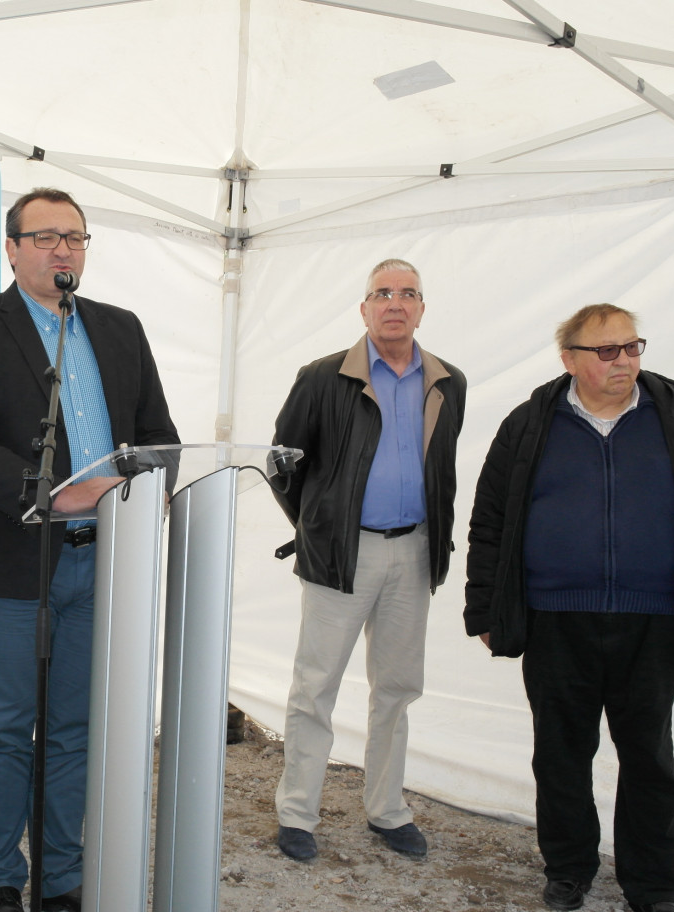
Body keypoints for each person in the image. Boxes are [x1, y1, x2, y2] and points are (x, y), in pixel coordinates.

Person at [0, 188, 179, 912]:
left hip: (106, 562)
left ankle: (63, 878)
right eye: (44, 237)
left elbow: (159, 433)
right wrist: (58, 493)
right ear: (11, 248)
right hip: (12, 565)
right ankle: (0, 879)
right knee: (5, 732)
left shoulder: (121, 328)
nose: (62, 249)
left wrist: (152, 488)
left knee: (74, 731)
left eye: (75, 237)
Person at [463, 304, 674, 912]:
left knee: (649, 759)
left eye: (633, 347)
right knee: (561, 756)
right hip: (555, 618)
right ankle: (569, 870)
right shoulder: (529, 424)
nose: (626, 361)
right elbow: (489, 522)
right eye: (608, 351)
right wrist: (484, 609)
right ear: (570, 360)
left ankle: (651, 886)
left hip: (654, 619)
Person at [270, 258, 466, 861]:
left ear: (422, 308)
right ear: (364, 307)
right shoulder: (323, 377)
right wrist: (319, 525)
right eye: (382, 292)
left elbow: (443, 468)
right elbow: (283, 462)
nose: (395, 303)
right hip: (341, 554)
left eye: (408, 293)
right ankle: (297, 813)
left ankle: (387, 810)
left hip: (414, 551)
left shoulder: (448, 382)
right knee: (316, 686)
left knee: (398, 688)